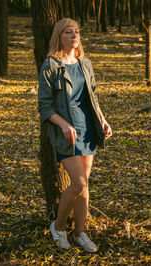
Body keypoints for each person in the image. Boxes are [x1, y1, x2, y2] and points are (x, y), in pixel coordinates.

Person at [37, 18, 112, 252]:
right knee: (78, 183)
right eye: (68, 32)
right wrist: (64, 126)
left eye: (76, 32)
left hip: (88, 128)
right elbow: (45, 106)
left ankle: (80, 233)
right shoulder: (50, 66)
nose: (74, 36)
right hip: (66, 133)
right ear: (58, 36)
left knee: (84, 185)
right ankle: (58, 227)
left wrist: (102, 120)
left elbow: (93, 97)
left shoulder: (85, 63)